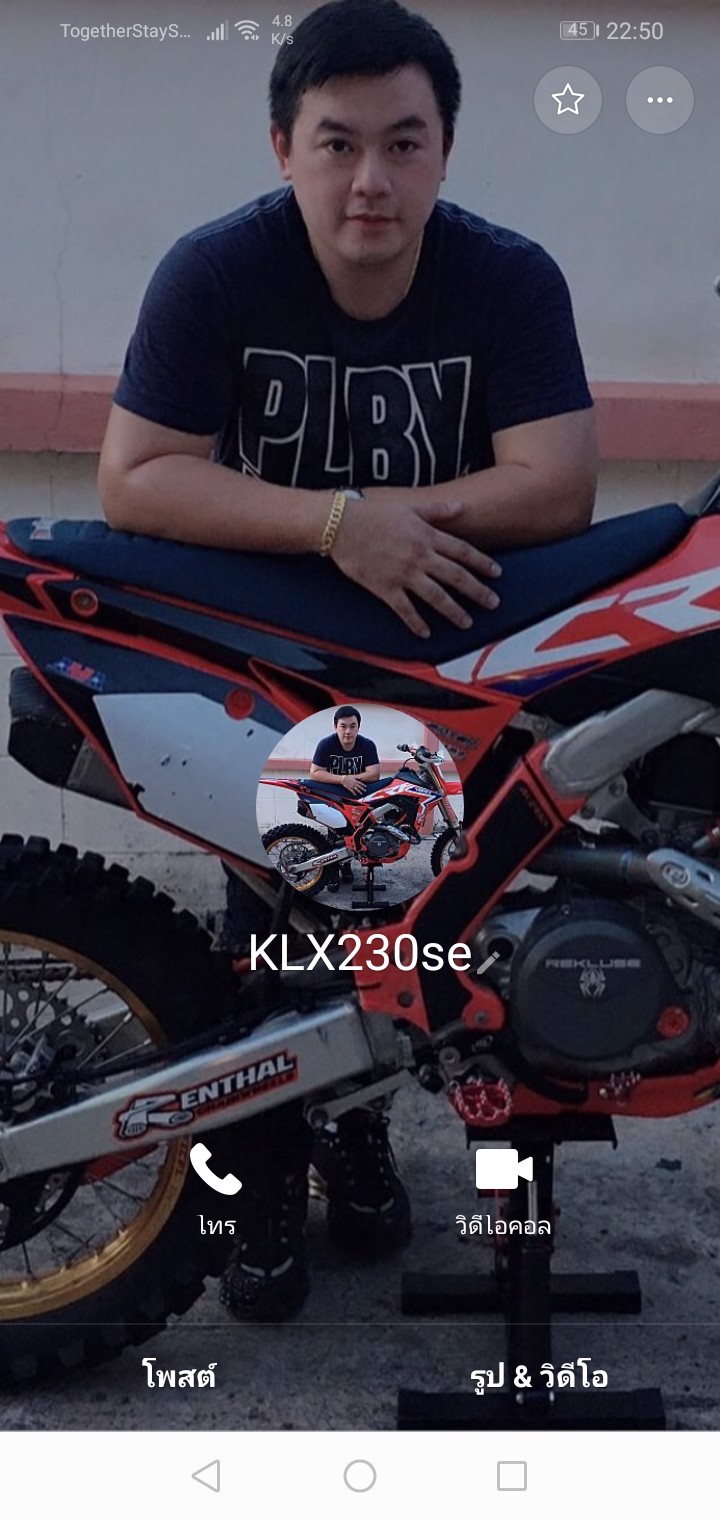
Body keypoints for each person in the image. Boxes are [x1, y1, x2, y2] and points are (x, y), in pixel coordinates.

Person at [97, 0, 597, 1322]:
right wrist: (334, 526)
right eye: (337, 143)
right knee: (270, 919)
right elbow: (136, 478)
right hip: (262, 649)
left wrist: (387, 529)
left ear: (444, 151)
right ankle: (261, 1168)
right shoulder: (217, 273)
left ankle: (356, 1126)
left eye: (402, 143)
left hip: (439, 655)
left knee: (414, 924)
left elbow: (557, 485)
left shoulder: (508, 278)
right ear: (285, 148)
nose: (370, 178)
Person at [310, 706, 381, 795]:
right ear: (335, 727)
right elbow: (315, 773)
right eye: (343, 726)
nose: (348, 731)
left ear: (358, 727)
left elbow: (374, 774)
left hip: (360, 793)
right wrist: (342, 780)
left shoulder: (368, 745)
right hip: (331, 793)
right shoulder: (325, 744)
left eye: (352, 726)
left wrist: (350, 780)